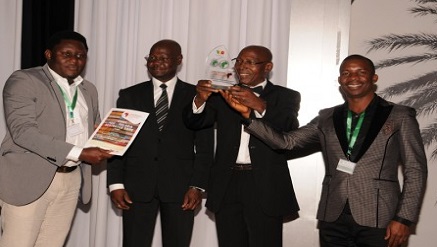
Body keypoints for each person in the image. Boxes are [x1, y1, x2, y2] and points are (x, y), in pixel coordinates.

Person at [224, 54, 428, 247]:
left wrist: (404, 218)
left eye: (361, 72)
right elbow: (285, 142)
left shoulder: (400, 116)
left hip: (379, 217)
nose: (353, 77)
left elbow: (415, 170)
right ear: (340, 80)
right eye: (346, 73)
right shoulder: (327, 117)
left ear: (374, 77)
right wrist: (249, 117)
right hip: (333, 216)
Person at [0, 30, 113, 247]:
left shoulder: (88, 89)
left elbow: (93, 129)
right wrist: (80, 152)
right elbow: (23, 132)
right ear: (49, 54)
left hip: (71, 178)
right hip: (28, 178)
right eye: (66, 54)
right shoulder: (25, 80)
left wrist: (109, 136)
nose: (74, 60)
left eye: (80, 55)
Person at [183, 45, 301, 247]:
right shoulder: (223, 95)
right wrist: (200, 99)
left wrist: (259, 105)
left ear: (268, 66)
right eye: (238, 61)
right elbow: (196, 122)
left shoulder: (286, 96)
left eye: (250, 62)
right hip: (227, 182)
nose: (241, 66)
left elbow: (289, 128)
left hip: (264, 183)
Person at [107, 39, 214, 247]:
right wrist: (115, 184)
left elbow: (205, 148)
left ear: (179, 60)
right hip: (136, 188)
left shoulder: (198, 95)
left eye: (163, 58)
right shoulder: (129, 95)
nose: (156, 62)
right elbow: (117, 142)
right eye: (152, 58)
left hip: (181, 189)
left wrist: (197, 186)